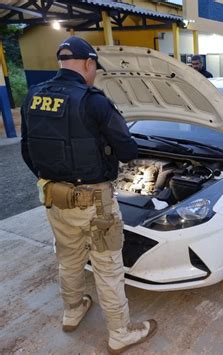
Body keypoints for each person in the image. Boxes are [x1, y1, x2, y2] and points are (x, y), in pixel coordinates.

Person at [20, 36, 157, 354]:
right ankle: (120, 333)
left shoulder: (33, 96)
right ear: (88, 63)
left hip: (55, 199)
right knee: (108, 267)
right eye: (94, 68)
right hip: (96, 203)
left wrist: (56, 183)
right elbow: (127, 150)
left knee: (68, 260)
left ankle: (72, 311)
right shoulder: (94, 101)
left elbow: (27, 151)